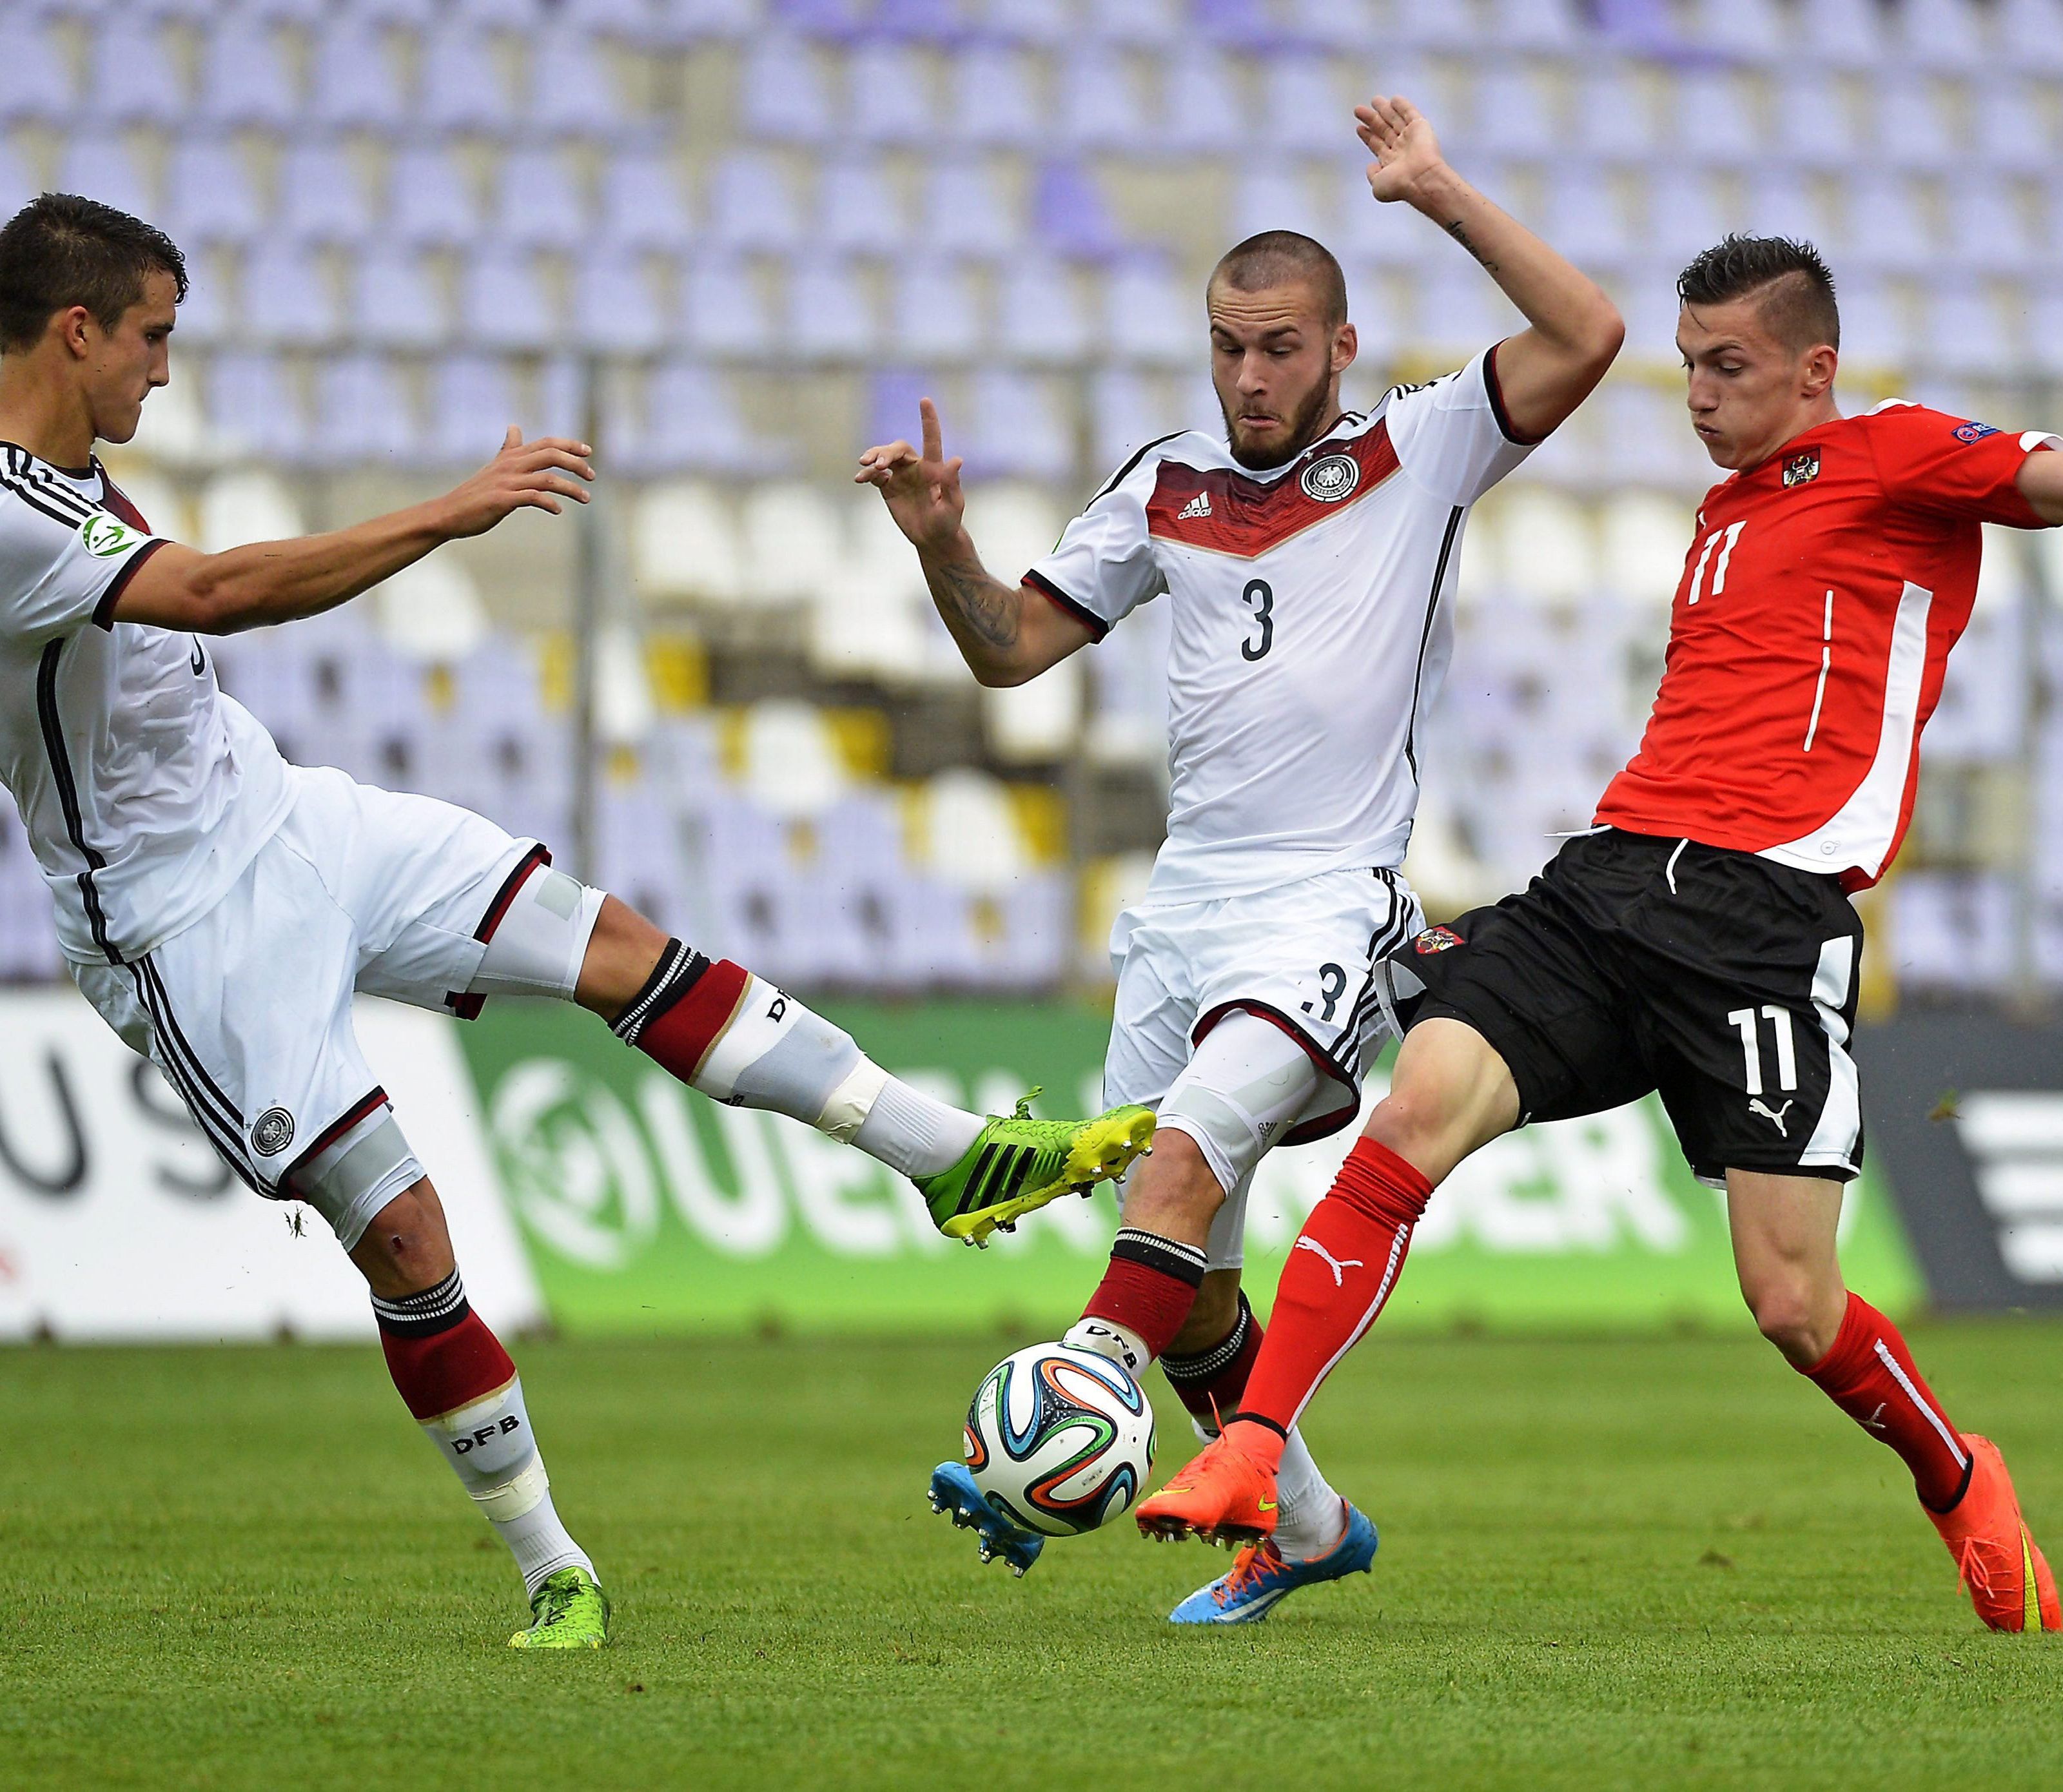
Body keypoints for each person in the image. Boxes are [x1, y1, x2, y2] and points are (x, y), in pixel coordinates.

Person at [0, 193, 1154, 1650]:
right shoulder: (3, 512)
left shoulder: (72, 471)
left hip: (293, 817)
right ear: (76, 328)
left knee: (612, 943)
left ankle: (948, 1158)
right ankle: (555, 1566)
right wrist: (448, 507)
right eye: (152, 338)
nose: (164, 371)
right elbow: (219, 592)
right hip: (178, 924)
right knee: (409, 1236)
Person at [1137, 233, 2063, 1635]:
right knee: (1416, 1116)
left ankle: (1957, 1474)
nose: (1696, 394)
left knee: (1791, 1301)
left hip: (1764, 919)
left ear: (1815, 368)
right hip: (1612, 879)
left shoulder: (1901, 452)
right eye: (1687, 365)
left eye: (1729, 366)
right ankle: (1256, 1444)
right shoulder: (1727, 511)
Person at [859, 97, 1621, 1617]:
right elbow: (1011, 650)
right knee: (1190, 1251)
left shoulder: (1420, 442)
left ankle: (1067, 1402)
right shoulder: (1163, 484)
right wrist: (941, 542)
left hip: (1328, 899)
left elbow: (1590, 331)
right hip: (1184, 902)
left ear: (1339, 349)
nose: (1250, 373)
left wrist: (1436, 190)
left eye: (1280, 345)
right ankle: (1312, 1521)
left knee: (1188, 1157)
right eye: (1227, 343)